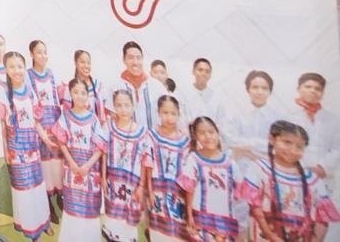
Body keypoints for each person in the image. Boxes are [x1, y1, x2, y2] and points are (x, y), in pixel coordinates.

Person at [244, 120, 340, 242]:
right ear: (272, 139)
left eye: (299, 146)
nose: (292, 150)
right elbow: (255, 207)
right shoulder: (259, 169)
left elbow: (322, 218)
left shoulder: (312, 179)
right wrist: (270, 235)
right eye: (287, 142)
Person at [0, 51, 53, 240]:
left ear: (24, 67)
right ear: (6, 69)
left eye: (19, 66)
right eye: (12, 66)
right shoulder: (3, 92)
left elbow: (36, 122)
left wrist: (45, 139)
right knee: (24, 189)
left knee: (37, 185)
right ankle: (31, 228)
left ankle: (43, 222)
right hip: (16, 149)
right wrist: (6, 150)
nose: (16, 70)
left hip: (33, 147)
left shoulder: (31, 91)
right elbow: (3, 125)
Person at [51, 79, 105, 242]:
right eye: (76, 92)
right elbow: (61, 143)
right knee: (73, 210)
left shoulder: (94, 119)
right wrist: (73, 164)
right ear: (71, 94)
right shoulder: (65, 117)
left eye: (83, 93)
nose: (80, 96)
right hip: (72, 171)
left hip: (90, 172)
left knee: (89, 210)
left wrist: (87, 166)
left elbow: (101, 147)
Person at [180, 116, 242, 242]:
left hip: (224, 222)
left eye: (211, 132)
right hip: (201, 220)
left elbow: (238, 193)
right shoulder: (193, 159)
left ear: (218, 133)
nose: (208, 137)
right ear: (196, 137)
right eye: (202, 133)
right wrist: (189, 215)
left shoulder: (230, 163)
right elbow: (189, 190)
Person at [102, 88, 149, 242]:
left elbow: (145, 161)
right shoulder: (109, 127)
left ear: (133, 106)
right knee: (112, 223)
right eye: (119, 105)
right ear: (114, 106)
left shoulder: (142, 132)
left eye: (127, 105)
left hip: (132, 185)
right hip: (112, 183)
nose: (123, 109)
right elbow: (103, 152)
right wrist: (103, 177)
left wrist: (141, 186)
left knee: (128, 227)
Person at [143, 94, 190, 242]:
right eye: (165, 113)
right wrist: (149, 191)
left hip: (178, 195)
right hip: (156, 194)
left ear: (178, 114)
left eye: (173, 113)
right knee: (159, 234)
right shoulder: (151, 136)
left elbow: (189, 173)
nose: (169, 117)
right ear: (158, 113)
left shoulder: (184, 140)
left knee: (178, 234)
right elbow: (148, 165)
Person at [28, 40, 63, 213]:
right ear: (32, 54)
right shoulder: (28, 75)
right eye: (39, 52)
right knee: (44, 165)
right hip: (39, 126)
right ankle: (47, 201)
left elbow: (57, 100)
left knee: (57, 162)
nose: (43, 55)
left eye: (45, 52)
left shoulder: (51, 74)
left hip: (54, 123)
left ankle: (60, 196)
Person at [287, 74, 340, 181]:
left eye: (318, 88)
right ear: (299, 89)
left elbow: (337, 148)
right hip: (295, 173)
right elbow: (285, 147)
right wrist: (299, 168)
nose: (313, 91)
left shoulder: (334, 119)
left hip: (324, 175)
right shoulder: (289, 118)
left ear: (322, 93)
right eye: (308, 87)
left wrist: (322, 167)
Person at [231, 71, 284, 164]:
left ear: (270, 91)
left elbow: (277, 145)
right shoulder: (236, 114)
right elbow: (231, 140)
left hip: (268, 164)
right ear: (248, 89)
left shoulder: (278, 118)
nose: (259, 92)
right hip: (241, 163)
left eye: (264, 88)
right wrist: (260, 145)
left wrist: (250, 148)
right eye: (255, 87)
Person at [117, 41, 171, 131]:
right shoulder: (116, 87)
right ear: (124, 60)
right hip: (127, 142)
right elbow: (113, 118)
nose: (135, 62)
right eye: (130, 58)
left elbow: (168, 113)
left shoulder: (157, 86)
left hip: (154, 141)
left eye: (138, 58)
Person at [58, 50, 109, 122]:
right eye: (82, 62)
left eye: (88, 63)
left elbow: (107, 111)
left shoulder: (99, 86)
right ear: (75, 63)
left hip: (96, 130)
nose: (86, 65)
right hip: (75, 131)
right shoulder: (67, 88)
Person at [180, 58, 225, 124]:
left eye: (207, 71)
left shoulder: (216, 96)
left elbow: (221, 120)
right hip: (189, 132)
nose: (204, 73)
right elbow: (181, 117)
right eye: (200, 70)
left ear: (210, 75)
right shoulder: (183, 93)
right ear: (193, 71)